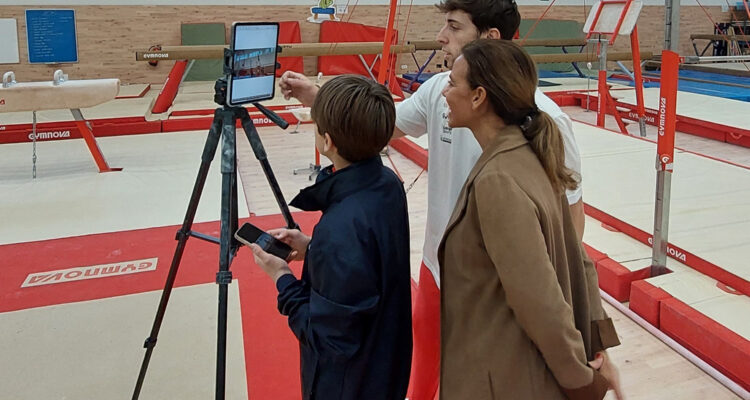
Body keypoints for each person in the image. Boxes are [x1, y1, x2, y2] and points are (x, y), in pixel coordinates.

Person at [279, 2, 587, 398]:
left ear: (489, 40)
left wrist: (563, 310)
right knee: (421, 379)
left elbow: (570, 223)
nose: (441, 37)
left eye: (454, 27)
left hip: (494, 290)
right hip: (437, 271)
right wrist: (318, 97)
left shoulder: (545, 123)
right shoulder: (440, 92)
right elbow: (375, 123)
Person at [438, 38, 621, 399]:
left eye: (452, 83)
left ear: (478, 96)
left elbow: (539, 299)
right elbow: (579, 260)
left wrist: (583, 380)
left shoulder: (498, 180)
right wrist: (598, 342)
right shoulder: (529, 154)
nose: (444, 92)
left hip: (504, 377)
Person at [249, 75, 412, 400]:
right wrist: (314, 248)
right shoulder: (387, 182)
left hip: (350, 383)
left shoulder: (342, 226)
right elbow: (370, 263)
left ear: (327, 142)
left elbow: (326, 338)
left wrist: (282, 278)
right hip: (387, 361)